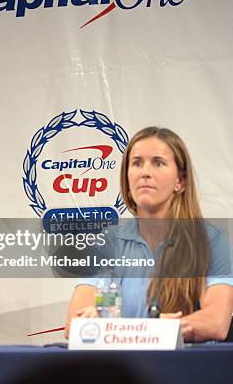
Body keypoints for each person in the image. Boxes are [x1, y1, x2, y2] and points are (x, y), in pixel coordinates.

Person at [64, 127, 233, 342]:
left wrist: (128, 330)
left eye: (158, 162)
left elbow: (216, 323)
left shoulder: (213, 241)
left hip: (185, 369)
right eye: (136, 163)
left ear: (179, 181)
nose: (145, 172)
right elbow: (74, 325)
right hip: (123, 371)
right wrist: (93, 320)